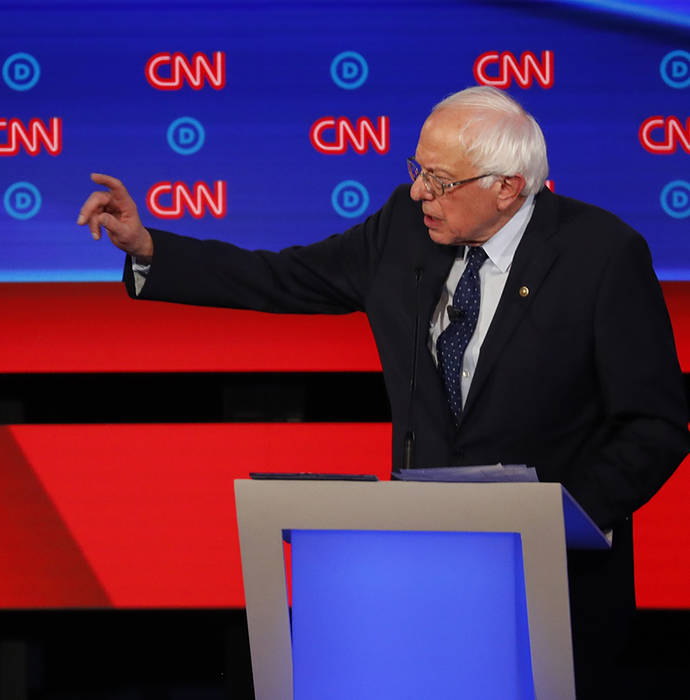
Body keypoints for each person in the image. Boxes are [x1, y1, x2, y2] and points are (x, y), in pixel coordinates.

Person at [77, 86, 689, 696]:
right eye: (418, 170)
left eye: (441, 181)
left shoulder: (601, 255)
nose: (420, 191)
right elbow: (286, 277)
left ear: (508, 187)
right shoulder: (404, 226)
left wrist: (560, 518)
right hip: (420, 574)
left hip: (554, 586)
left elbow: (655, 425)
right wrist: (151, 248)